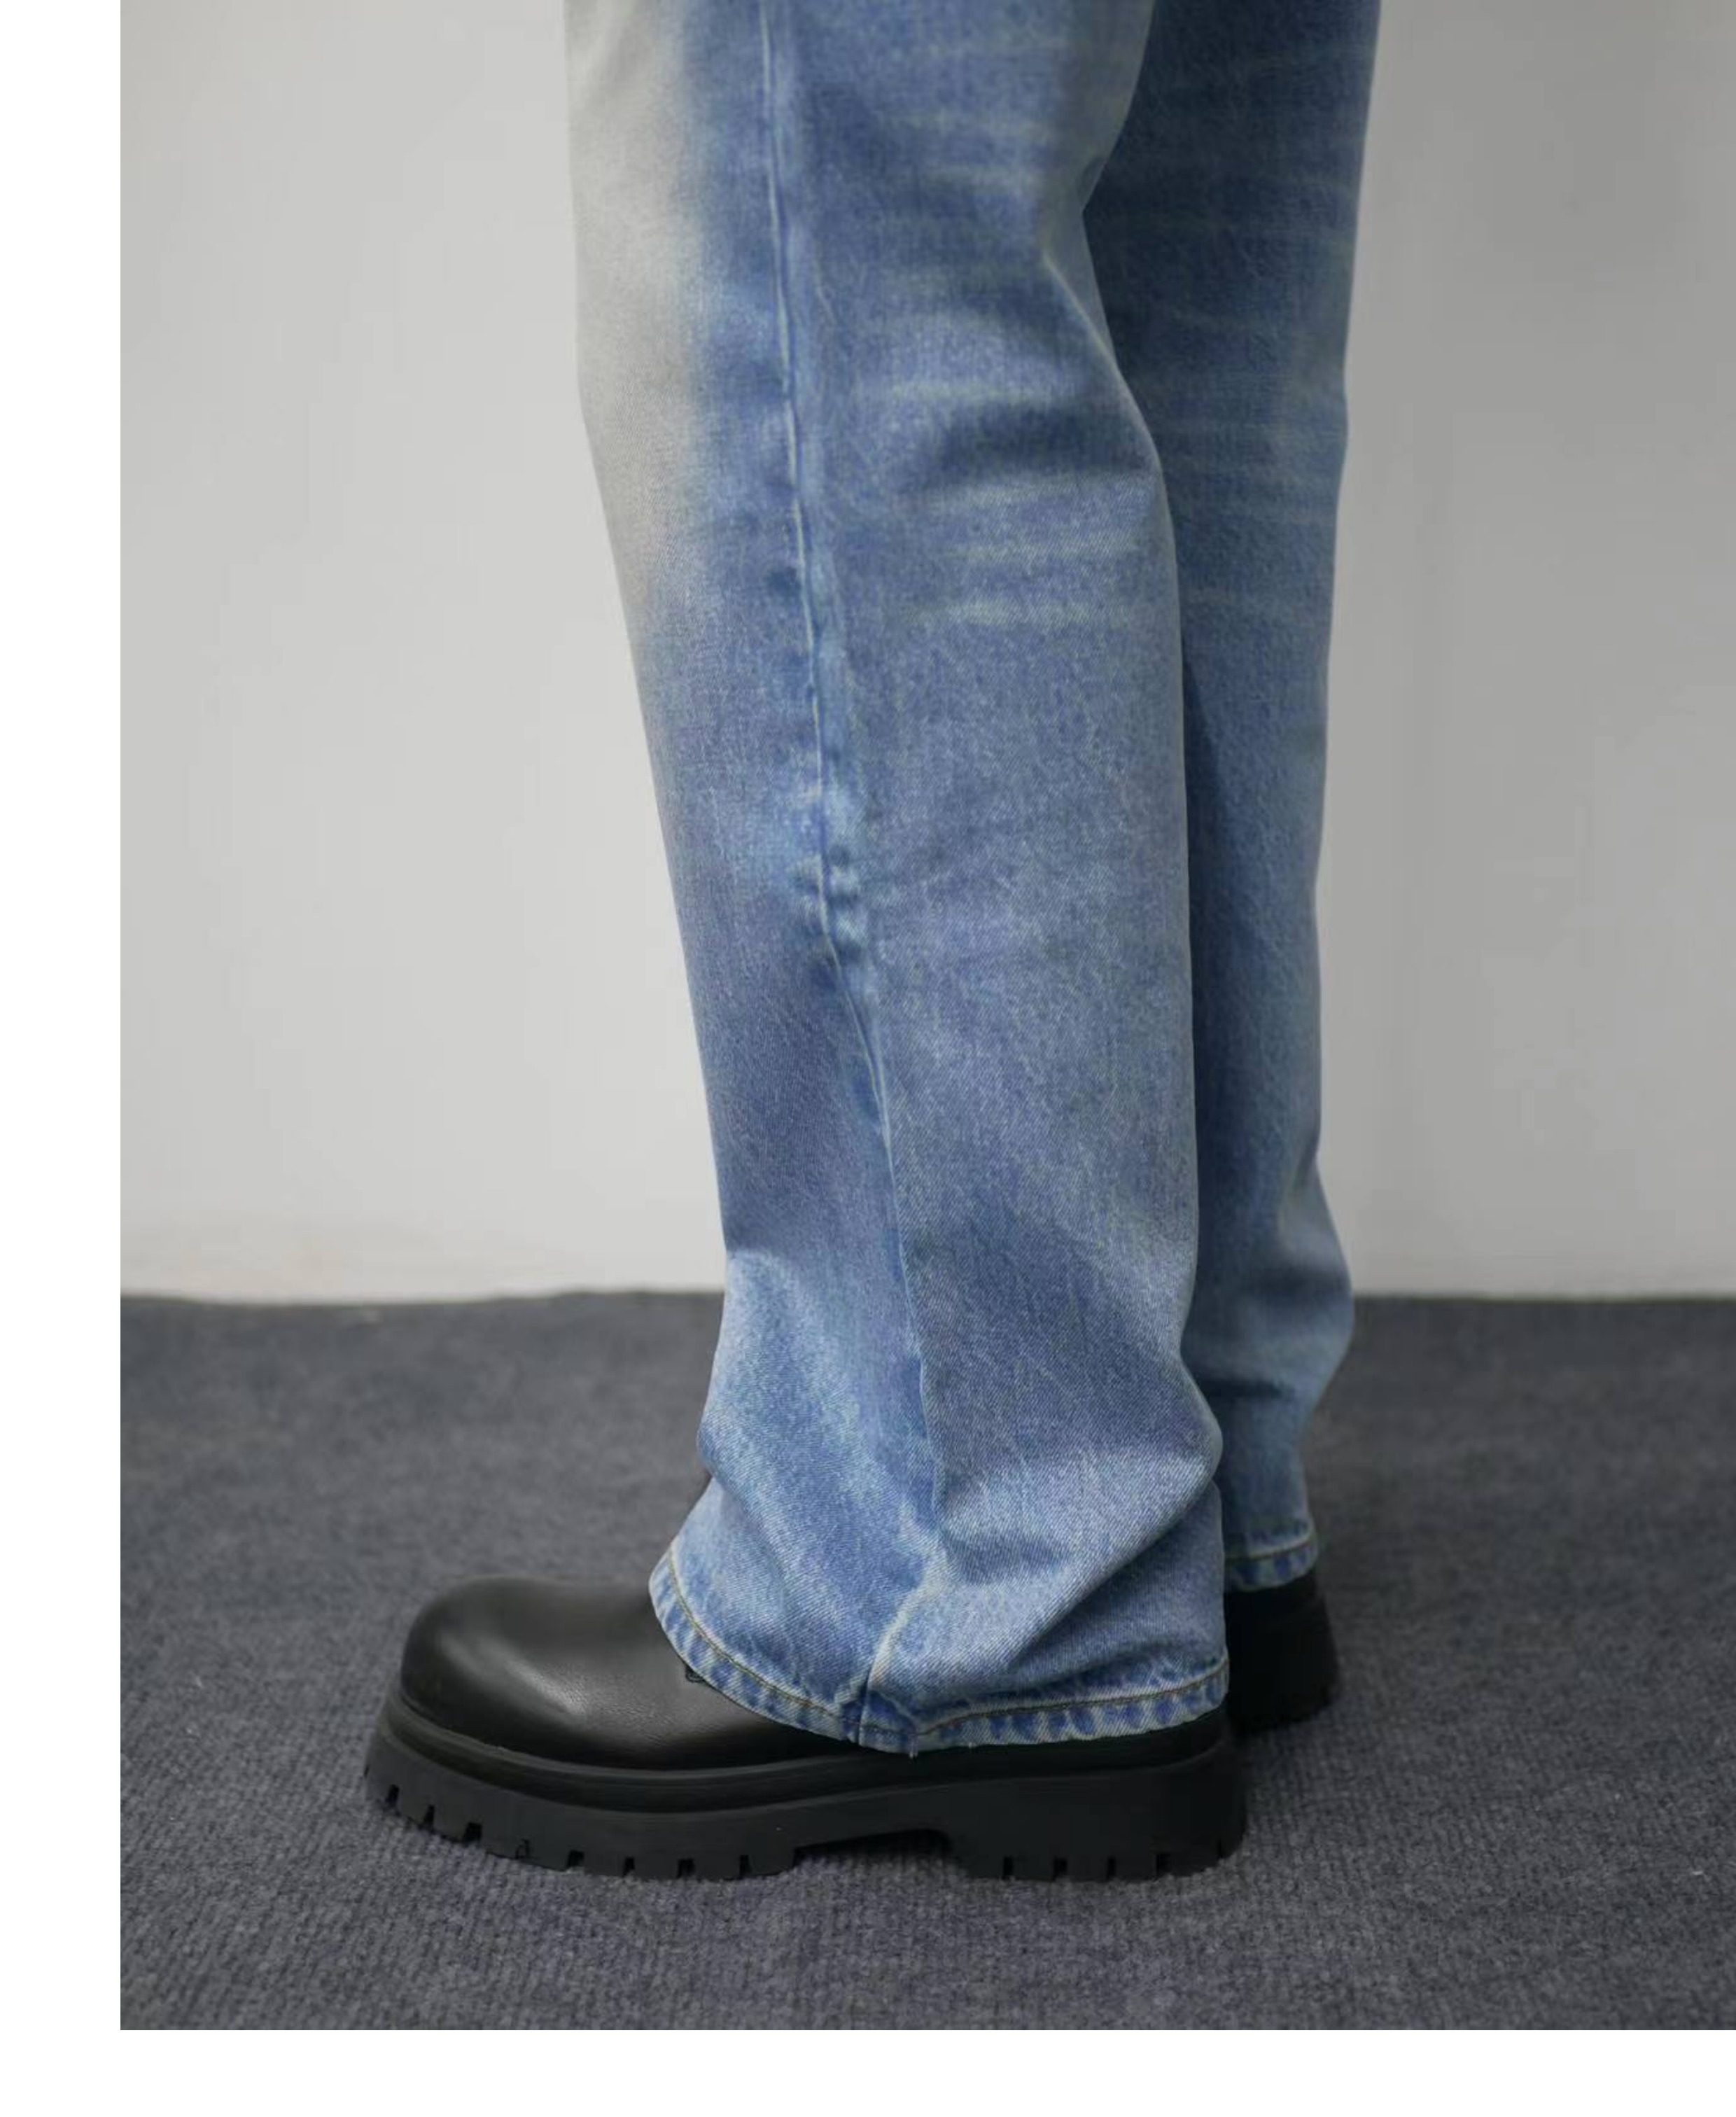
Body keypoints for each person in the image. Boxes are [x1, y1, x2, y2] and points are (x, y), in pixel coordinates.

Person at [365, 0, 1379, 1881]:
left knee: (852, 229)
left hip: (969, 1581)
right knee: (1191, 268)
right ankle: (1191, 1476)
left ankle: (964, 1562)